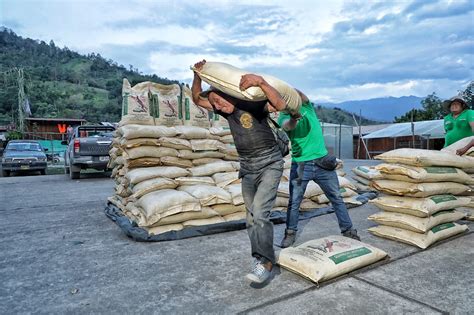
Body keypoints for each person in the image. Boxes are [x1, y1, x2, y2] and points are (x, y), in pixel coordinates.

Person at [191, 60, 292, 284]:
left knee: (260, 212)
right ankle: (259, 257)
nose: (217, 106)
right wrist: (197, 75)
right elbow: (197, 98)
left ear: (229, 95)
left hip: (270, 163)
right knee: (249, 218)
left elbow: (280, 104)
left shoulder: (251, 104)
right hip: (247, 167)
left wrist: (261, 82)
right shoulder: (224, 112)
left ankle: (266, 263)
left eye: (218, 101)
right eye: (214, 103)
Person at [278, 90, 360, 248]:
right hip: (301, 164)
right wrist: (294, 118)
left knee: (336, 198)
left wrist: (287, 90)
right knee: (294, 202)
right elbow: (287, 126)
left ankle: (348, 230)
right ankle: (290, 233)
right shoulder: (283, 116)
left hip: (322, 161)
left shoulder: (307, 107)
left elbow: (302, 96)